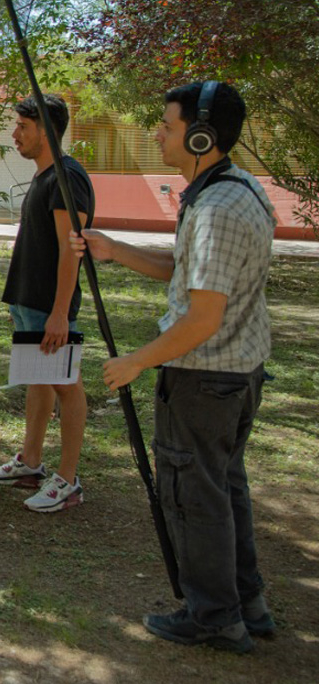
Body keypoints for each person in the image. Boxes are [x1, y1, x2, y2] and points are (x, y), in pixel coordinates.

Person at [70, 80, 275, 654]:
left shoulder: (214, 210)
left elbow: (202, 317)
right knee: (224, 487)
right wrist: (113, 249)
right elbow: (186, 273)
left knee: (195, 497)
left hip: (203, 379)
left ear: (201, 135)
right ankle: (247, 604)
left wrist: (134, 362)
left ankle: (213, 618)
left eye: (167, 125)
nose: (157, 133)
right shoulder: (237, 190)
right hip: (236, 374)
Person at [0, 94, 94, 512]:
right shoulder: (45, 176)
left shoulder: (68, 178)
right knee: (39, 379)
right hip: (30, 302)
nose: (15, 135)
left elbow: (72, 249)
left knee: (67, 385)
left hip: (52, 307)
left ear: (46, 131)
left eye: (23, 127)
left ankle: (68, 480)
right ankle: (30, 462)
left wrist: (60, 313)